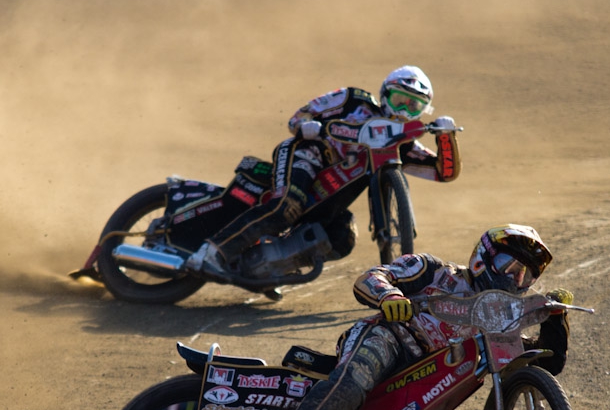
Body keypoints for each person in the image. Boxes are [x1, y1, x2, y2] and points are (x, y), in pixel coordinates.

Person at [254, 224, 574, 410]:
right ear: (483, 258)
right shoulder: (435, 271)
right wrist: (390, 295)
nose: (514, 279)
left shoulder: (498, 323)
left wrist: (555, 319)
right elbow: (371, 277)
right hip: (390, 338)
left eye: (524, 276)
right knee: (354, 383)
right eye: (509, 266)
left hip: (417, 390)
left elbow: (542, 362)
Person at [186, 65, 462, 279]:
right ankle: (211, 253)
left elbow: (443, 172)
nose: (403, 110)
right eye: (400, 98)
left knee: (343, 237)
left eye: (413, 105)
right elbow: (301, 115)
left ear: (423, 111)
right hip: (307, 154)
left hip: (328, 200)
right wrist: (306, 126)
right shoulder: (354, 100)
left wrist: (446, 137)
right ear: (384, 93)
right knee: (286, 206)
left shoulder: (403, 147)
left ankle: (268, 269)